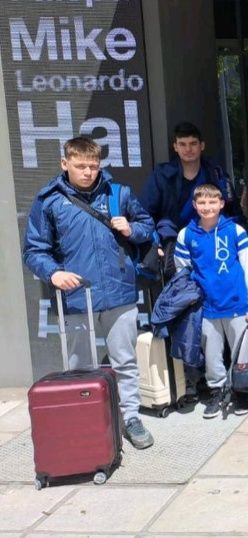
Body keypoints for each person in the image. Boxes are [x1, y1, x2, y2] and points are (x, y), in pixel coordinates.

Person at [23, 136, 156, 449]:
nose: (87, 172)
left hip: (119, 293)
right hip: (76, 298)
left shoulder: (118, 193)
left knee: (125, 361)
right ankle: (86, 421)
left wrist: (131, 229)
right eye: (80, 165)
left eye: (93, 166)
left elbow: (146, 226)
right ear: (65, 163)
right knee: (80, 365)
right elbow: (34, 249)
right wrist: (53, 273)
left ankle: (131, 418)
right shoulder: (49, 200)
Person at [174, 184, 248, 418]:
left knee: (241, 354)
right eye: (202, 203)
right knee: (212, 354)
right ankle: (217, 391)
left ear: (221, 204)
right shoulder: (186, 235)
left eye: (212, 202)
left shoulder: (235, 231)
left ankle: (242, 393)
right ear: (194, 205)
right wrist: (190, 300)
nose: (207, 207)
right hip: (206, 307)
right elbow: (182, 271)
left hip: (237, 304)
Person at [140, 121, 242, 279]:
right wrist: (155, 243)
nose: (188, 149)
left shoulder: (216, 174)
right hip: (173, 245)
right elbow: (144, 215)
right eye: (183, 144)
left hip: (212, 244)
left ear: (202, 146)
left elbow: (233, 213)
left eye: (193, 143)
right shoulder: (162, 176)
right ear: (175, 147)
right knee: (180, 291)